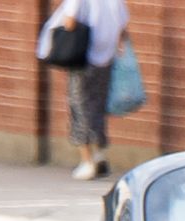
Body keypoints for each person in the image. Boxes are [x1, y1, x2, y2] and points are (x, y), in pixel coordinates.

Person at [37, 0, 130, 180]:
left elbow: (70, 22)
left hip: (83, 56)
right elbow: (123, 25)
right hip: (106, 57)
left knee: (79, 107)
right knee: (97, 106)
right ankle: (100, 154)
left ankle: (87, 161)